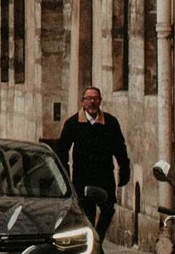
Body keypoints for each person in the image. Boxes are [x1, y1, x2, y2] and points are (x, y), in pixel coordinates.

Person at [55, 85, 130, 245]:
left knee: (108, 209)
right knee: (87, 212)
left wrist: (124, 169)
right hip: (83, 176)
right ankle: (93, 245)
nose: (92, 102)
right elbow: (62, 150)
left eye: (95, 98)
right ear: (83, 102)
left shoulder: (110, 122)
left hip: (105, 175)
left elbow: (119, 147)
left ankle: (98, 240)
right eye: (88, 99)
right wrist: (65, 174)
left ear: (100, 101)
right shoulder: (73, 123)